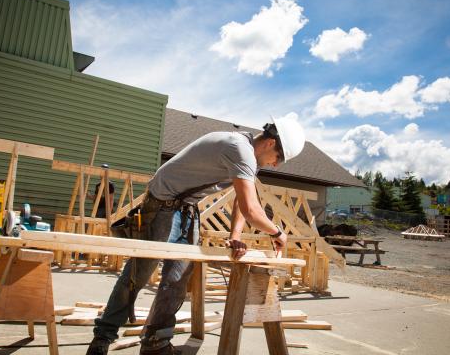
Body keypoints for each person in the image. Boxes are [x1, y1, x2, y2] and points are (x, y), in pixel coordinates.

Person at [86, 115, 305, 355]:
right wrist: (278, 232)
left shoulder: (247, 156)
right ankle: (102, 339)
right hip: (161, 205)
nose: (275, 165)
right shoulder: (239, 149)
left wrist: (235, 236)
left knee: (177, 280)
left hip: (186, 208)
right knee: (138, 275)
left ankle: (155, 345)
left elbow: (242, 203)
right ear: (271, 143)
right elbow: (251, 210)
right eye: (278, 160)